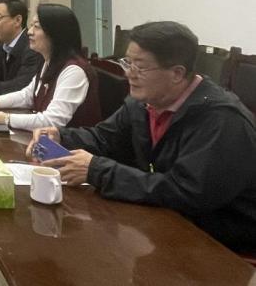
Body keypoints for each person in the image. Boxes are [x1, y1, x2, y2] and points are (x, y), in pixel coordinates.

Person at [28, 21, 256, 252]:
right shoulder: (143, 103)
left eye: (140, 67)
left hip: (221, 242)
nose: (129, 74)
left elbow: (187, 192)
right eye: (128, 63)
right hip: (166, 222)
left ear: (177, 73)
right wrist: (61, 137)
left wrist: (97, 170)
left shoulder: (221, 120)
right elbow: (105, 138)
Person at [0, 3, 100, 130]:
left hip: (69, 144)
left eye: (37, 27)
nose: (30, 32)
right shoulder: (48, 61)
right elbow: (28, 95)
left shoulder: (74, 71)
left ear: (56, 33)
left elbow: (53, 121)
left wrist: (3, 118)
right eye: (31, 26)